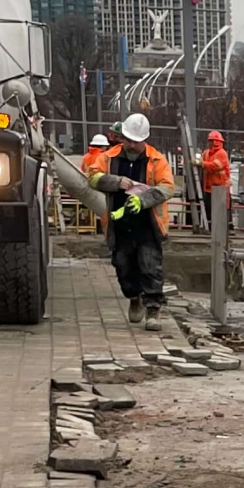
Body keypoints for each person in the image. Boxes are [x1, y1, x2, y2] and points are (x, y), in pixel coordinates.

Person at [87, 112, 176, 332]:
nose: (130, 145)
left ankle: (153, 309)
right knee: (123, 267)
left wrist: (143, 200)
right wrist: (115, 182)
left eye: (135, 142)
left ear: (144, 140)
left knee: (150, 266)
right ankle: (133, 297)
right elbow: (93, 177)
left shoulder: (156, 160)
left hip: (148, 224)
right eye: (127, 140)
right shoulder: (110, 158)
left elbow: (167, 187)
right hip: (119, 224)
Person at [199, 130, 232, 226]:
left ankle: (227, 228)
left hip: (221, 187)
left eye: (211, 141)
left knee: (221, 210)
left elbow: (216, 166)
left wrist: (202, 163)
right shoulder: (206, 153)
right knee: (209, 209)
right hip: (209, 187)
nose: (209, 143)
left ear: (215, 142)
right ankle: (210, 227)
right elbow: (202, 161)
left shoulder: (222, 153)